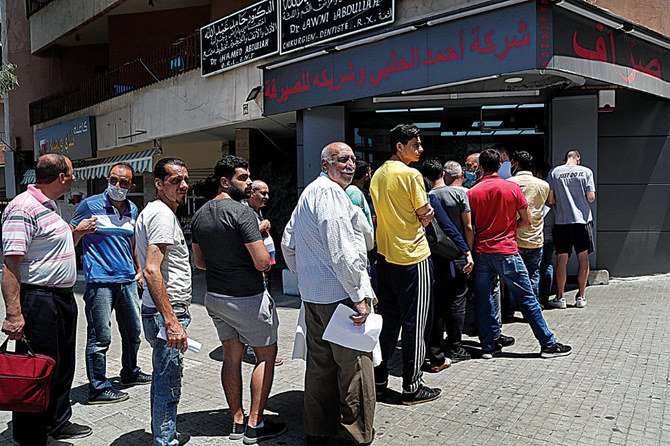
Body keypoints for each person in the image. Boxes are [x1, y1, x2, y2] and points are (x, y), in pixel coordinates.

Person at [282, 142, 375, 446]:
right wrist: (358, 294)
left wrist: (305, 275)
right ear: (326, 165)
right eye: (341, 160)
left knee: (320, 368)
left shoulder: (310, 192)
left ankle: (318, 432)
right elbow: (343, 251)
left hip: (315, 297)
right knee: (355, 370)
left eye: (352, 159)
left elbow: (288, 243)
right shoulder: (332, 194)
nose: (349, 165)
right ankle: (355, 436)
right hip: (341, 298)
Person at [192, 156, 286, 444]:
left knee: (231, 357)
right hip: (248, 297)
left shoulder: (199, 214)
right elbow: (261, 262)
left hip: (215, 297)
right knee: (265, 356)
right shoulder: (242, 213)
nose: (248, 183)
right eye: (243, 178)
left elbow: (200, 263)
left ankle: (236, 420)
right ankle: (255, 425)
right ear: (224, 181)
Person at [1, 154, 93, 444]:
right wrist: (14, 314)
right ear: (62, 177)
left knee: (63, 365)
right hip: (39, 299)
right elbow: (11, 265)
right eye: (72, 172)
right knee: (37, 367)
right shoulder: (23, 207)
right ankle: (30, 435)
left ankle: (57, 421)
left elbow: (50, 250)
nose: (75, 177)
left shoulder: (50, 207)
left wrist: (75, 234)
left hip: (62, 298)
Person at [467, 149, 572, 359]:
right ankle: (547, 344)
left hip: (482, 251)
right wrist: (509, 227)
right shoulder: (511, 188)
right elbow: (527, 220)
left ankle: (488, 345)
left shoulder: (472, 192)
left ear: (481, 167)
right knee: (527, 298)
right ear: (500, 166)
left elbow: (470, 226)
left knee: (483, 298)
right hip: (506, 249)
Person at [370, 124, 441, 405]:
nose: (420, 150)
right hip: (413, 257)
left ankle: (379, 377)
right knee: (415, 323)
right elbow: (425, 215)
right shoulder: (411, 175)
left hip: (385, 257)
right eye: (416, 145)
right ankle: (412, 386)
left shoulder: (377, 175)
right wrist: (425, 215)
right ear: (399, 146)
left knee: (388, 322)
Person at [70, 163, 151, 405]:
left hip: (126, 279)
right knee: (100, 336)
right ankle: (98, 388)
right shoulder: (89, 205)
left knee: (133, 332)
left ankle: (130, 372)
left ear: (131, 185)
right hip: (100, 282)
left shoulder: (133, 208)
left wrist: (138, 270)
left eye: (123, 182)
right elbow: (70, 235)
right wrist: (80, 231)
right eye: (114, 180)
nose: (117, 186)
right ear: (107, 179)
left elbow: (133, 241)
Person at [135, 157, 192, 446]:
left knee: (163, 376)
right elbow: (152, 268)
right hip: (167, 312)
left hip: (157, 308)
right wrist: (171, 321)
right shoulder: (161, 215)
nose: (183, 185)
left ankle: (164, 434)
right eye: (175, 181)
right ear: (158, 184)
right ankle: (165, 440)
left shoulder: (153, 212)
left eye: (184, 179)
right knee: (168, 379)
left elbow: (141, 259)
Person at [420, 158, 474, 367]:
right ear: (442, 174)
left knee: (438, 304)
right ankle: (455, 344)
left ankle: (436, 346)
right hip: (456, 255)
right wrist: (468, 251)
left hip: (434, 256)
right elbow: (466, 226)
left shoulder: (426, 197)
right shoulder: (462, 194)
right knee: (457, 301)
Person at [546, 149, 596, 309]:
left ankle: (560, 297)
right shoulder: (586, 172)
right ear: (578, 159)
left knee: (562, 260)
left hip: (562, 221)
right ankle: (581, 297)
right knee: (583, 258)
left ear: (566, 158)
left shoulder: (555, 172)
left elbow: (551, 200)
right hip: (582, 222)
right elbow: (591, 197)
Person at [508, 151, 550, 300]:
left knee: (513, 278)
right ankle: (531, 308)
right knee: (533, 276)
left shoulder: (509, 183)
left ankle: (511, 310)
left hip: (514, 238)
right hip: (535, 238)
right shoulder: (544, 185)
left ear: (516, 164)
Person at [346, 160, 374, 230]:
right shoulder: (354, 192)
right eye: (370, 172)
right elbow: (355, 220)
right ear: (366, 175)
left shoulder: (357, 191)